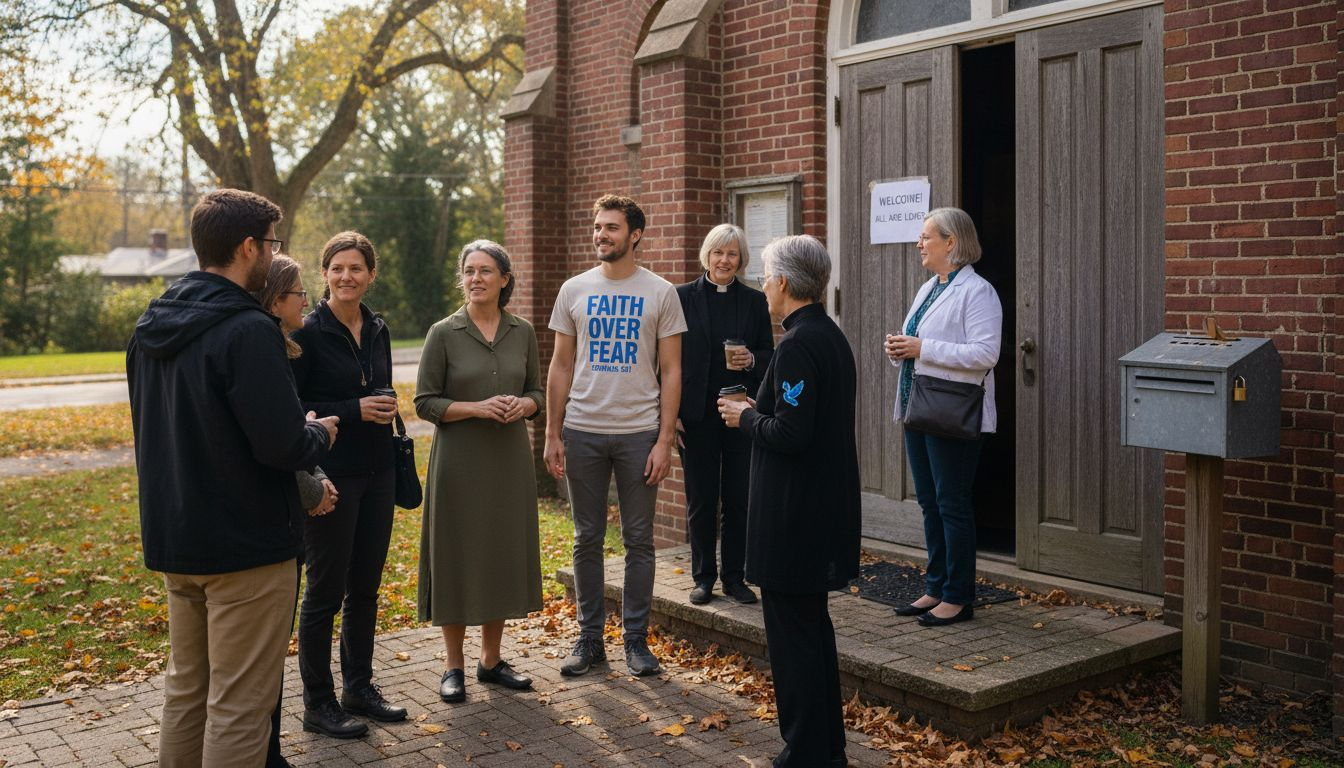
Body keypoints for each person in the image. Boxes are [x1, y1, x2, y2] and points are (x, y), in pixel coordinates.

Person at [127, 189, 337, 767]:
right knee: (240, 706)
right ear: (248, 247)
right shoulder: (248, 330)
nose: (273, 253)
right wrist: (319, 433)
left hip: (176, 539)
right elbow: (282, 444)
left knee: (187, 691)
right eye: (271, 243)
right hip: (246, 546)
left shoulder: (149, 326)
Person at [718, 234, 859, 768]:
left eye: (765, 278)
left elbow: (792, 434)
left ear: (781, 282)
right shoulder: (828, 336)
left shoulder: (798, 344)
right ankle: (827, 750)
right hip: (819, 510)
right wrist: (761, 406)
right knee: (812, 635)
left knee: (795, 643)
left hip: (794, 517)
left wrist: (745, 417)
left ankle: (804, 752)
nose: (761, 288)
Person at [544, 194, 686, 677]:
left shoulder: (661, 293)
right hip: (583, 430)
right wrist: (553, 432)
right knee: (586, 538)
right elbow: (561, 365)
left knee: (639, 540)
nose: (600, 235)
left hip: (638, 434)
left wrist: (664, 440)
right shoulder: (574, 289)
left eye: (611, 227)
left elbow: (672, 370)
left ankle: (635, 641)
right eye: (597, 227)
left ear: (635, 235)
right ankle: (589, 640)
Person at [414, 240, 544, 704]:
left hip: (508, 461)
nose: (475, 279)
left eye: (485, 271)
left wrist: (525, 405)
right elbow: (424, 402)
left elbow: (537, 392)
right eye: (469, 271)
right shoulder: (443, 332)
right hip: (458, 463)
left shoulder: (522, 331)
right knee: (456, 554)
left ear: (504, 279)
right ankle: (453, 666)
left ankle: (491, 660)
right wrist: (475, 407)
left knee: (499, 553)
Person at [291, 231, 405, 738]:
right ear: (324, 274)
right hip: (331, 478)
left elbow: (376, 386)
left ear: (371, 275)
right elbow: (295, 408)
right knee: (324, 591)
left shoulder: (378, 327)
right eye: (337, 268)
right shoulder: (306, 332)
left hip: (380, 473)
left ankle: (359, 687)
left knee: (365, 588)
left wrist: (384, 402)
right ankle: (318, 704)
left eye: (356, 268)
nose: (346, 276)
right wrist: (354, 409)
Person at [885, 207, 1002, 627]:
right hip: (918, 408)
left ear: (951, 242)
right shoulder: (929, 288)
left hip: (953, 412)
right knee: (929, 503)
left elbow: (986, 353)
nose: (919, 243)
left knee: (952, 504)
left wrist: (922, 348)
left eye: (926, 237)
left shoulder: (979, 291)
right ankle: (935, 587)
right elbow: (921, 343)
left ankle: (958, 596)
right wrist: (901, 348)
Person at [255, 254, 339, 768]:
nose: (307, 300)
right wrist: (314, 485)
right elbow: (276, 445)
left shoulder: (277, 346)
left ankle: (270, 751)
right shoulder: (262, 353)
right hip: (265, 531)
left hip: (276, 516)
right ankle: (264, 753)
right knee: (257, 663)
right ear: (274, 300)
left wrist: (316, 473)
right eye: (299, 292)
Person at [675, 224, 773, 606]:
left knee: (738, 498)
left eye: (732, 254)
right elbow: (666, 358)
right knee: (701, 498)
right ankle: (703, 577)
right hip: (695, 414)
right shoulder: (681, 297)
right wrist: (670, 413)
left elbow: (768, 354)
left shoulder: (754, 301)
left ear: (741, 259)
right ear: (707, 255)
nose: (724, 260)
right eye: (718, 252)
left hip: (739, 414)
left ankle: (735, 577)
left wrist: (752, 359)